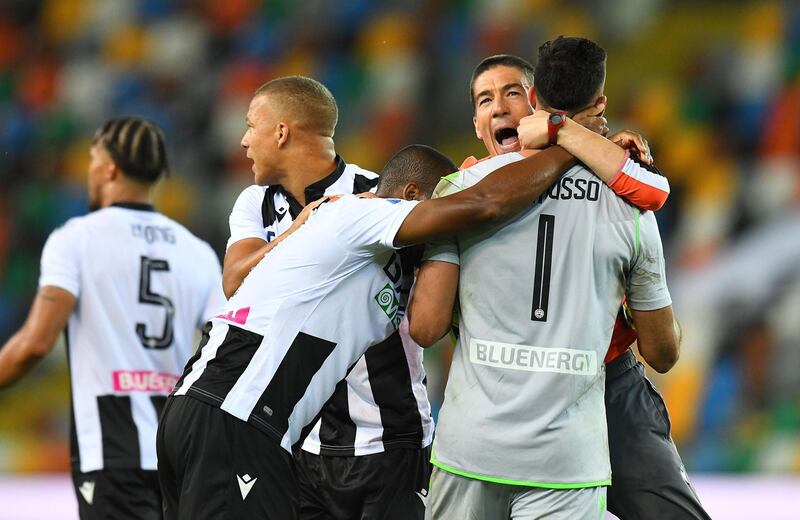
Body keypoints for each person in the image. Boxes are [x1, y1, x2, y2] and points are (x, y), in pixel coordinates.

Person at [156, 138, 591, 519]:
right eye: (435, 206)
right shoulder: (359, 216)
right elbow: (482, 205)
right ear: (413, 195)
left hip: (230, 416)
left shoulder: (376, 250)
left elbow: (427, 325)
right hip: (235, 415)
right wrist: (568, 147)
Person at [411, 50, 709, 519]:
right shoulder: (467, 189)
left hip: (602, 383)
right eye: (485, 99)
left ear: (537, 108)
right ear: (475, 123)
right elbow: (654, 195)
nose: (500, 108)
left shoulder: (466, 190)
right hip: (512, 402)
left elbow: (425, 323)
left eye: (512, 93)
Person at [222, 76, 434, 519]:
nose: (243, 140)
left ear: (281, 132)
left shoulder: (378, 193)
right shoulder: (255, 205)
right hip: (301, 439)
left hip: (388, 435)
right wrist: (301, 228)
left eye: (251, 125)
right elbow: (235, 284)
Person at [0, 117, 224, 520]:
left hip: (111, 450)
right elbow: (225, 349)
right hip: (180, 453)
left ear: (110, 168)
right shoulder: (197, 251)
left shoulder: (75, 238)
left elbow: (34, 344)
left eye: (92, 157)